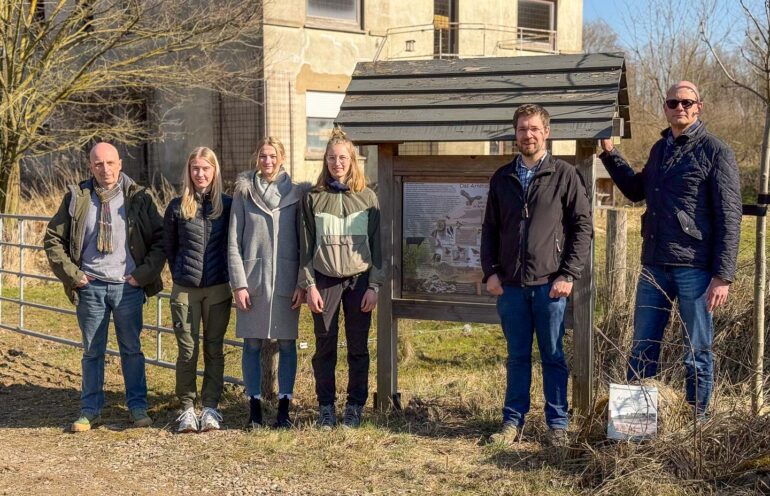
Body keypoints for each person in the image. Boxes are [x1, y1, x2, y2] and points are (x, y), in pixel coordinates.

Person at [599, 81, 742, 417]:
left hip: (696, 267)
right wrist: (610, 154)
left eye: (686, 102)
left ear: (698, 107)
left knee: (697, 350)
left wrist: (723, 275)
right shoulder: (659, 149)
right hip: (654, 265)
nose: (680, 108)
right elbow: (637, 191)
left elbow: (730, 216)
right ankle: (637, 424)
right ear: (665, 107)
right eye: (673, 102)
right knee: (643, 346)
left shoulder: (716, 151)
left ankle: (696, 424)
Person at [481, 104, 592, 446]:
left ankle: (557, 424)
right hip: (511, 286)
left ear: (546, 132)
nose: (527, 134)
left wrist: (569, 273)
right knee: (517, 357)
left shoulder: (564, 174)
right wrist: (491, 273)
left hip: (549, 285)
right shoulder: (502, 177)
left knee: (553, 356)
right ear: (514, 134)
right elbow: (489, 228)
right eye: (521, 129)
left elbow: (582, 227)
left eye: (533, 129)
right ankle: (512, 423)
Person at [44, 142, 165, 432]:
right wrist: (75, 277)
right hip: (91, 288)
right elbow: (52, 240)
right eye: (98, 164)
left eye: (110, 163)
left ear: (120, 164)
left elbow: (161, 240)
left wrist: (142, 275)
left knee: (132, 350)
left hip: (128, 288)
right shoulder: (77, 197)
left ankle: (137, 407)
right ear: (90, 167)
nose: (105, 169)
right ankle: (90, 410)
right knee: (92, 351)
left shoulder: (139, 198)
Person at [300, 128, 382, 429]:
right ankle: (325, 407)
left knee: (358, 347)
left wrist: (374, 285)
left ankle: (354, 406)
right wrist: (309, 284)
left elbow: (378, 246)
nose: (338, 163)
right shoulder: (313, 198)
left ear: (352, 161)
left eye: (343, 157)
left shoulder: (368, 197)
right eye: (332, 158)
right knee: (324, 347)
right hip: (324, 280)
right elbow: (304, 246)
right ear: (326, 160)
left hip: (359, 281)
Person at [228, 137, 304, 429]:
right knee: (251, 343)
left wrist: (301, 282)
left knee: (287, 344)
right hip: (253, 281)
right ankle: (255, 407)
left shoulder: (297, 194)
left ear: (282, 158)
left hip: (286, 281)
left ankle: (284, 408)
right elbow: (233, 242)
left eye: (273, 156)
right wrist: (239, 283)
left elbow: (303, 244)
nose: (268, 161)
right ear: (256, 159)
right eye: (263, 156)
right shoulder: (243, 194)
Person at [163, 147, 232, 433]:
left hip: (218, 289)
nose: (200, 174)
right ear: (189, 172)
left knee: (214, 349)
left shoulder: (227, 206)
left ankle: (211, 407)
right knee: (187, 351)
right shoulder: (177, 207)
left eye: (206, 168)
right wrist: (182, 274)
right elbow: (169, 247)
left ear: (214, 171)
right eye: (195, 169)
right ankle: (187, 408)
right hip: (185, 290)